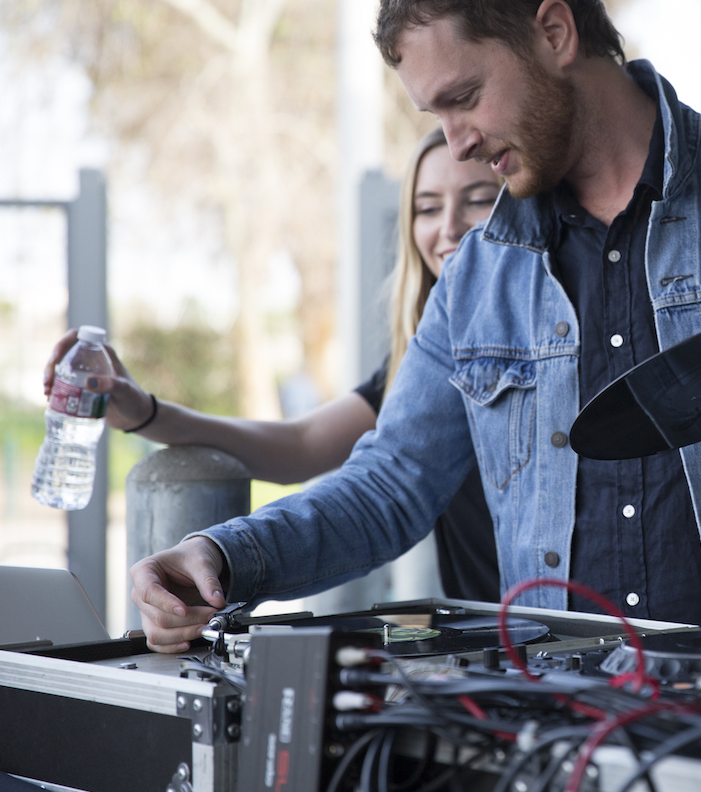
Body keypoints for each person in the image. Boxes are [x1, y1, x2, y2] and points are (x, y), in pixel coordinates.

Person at [131, 0, 701, 654]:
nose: (456, 143)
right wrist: (222, 554)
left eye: (464, 98)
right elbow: (387, 486)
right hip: (571, 727)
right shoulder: (473, 282)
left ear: (553, 32)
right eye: (435, 112)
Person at [46, 129, 502, 604]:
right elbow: (302, 445)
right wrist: (145, 414)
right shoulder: (418, 363)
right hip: (495, 643)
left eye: (479, 200)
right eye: (427, 208)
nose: (449, 228)